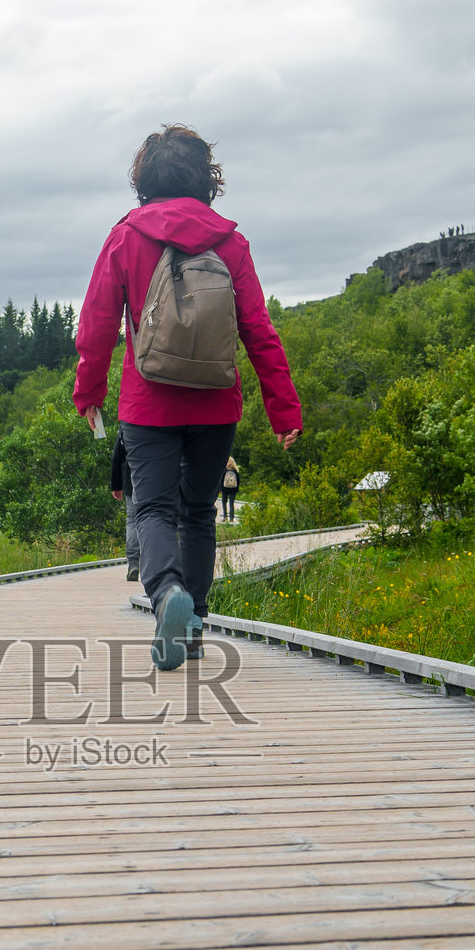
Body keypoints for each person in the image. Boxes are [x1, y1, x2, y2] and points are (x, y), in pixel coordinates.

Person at [74, 124, 301, 670]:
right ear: (207, 179)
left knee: (152, 506)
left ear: (143, 178)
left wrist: (90, 390)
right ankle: (193, 624)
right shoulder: (231, 241)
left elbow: (98, 323)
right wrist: (283, 408)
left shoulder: (126, 236)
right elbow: (258, 330)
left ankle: (167, 593)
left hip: (148, 403)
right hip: (216, 401)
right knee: (198, 514)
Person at [110, 432, 140, 580]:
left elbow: (116, 457)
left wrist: (116, 486)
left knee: (133, 519)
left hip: (130, 478)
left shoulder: (127, 426)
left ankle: (134, 562)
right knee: (156, 516)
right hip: (154, 480)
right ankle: (154, 561)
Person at [221, 455, 240, 522]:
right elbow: (238, 481)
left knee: (224, 502)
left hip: (225, 489)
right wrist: (237, 489)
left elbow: (221, 480)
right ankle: (231, 518)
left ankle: (225, 516)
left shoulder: (224, 470)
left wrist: (220, 489)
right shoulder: (235, 471)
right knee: (231, 503)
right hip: (233, 489)